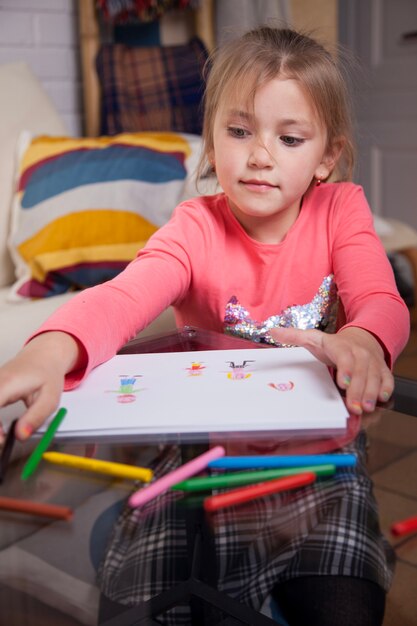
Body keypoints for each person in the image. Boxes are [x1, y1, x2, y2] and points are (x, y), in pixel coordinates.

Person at [0, 26, 410, 625]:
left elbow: (380, 297)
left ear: (326, 156)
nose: (261, 155)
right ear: (212, 145)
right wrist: (50, 351)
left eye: (289, 138)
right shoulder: (194, 226)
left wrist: (365, 339)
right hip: (202, 460)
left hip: (321, 464)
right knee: (145, 605)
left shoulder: (340, 209)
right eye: (239, 131)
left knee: (347, 605)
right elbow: (121, 297)